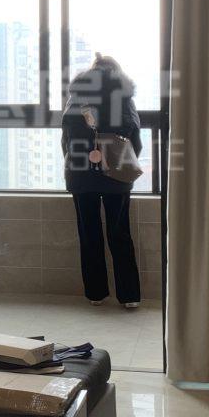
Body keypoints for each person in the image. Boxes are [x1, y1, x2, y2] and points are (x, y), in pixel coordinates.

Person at [61, 55, 142, 309]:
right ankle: (129, 296)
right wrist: (123, 162)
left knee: (89, 233)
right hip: (116, 174)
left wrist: (76, 161)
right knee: (120, 233)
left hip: (81, 173)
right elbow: (134, 136)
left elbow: (66, 137)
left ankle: (96, 293)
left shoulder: (77, 96)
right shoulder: (124, 95)